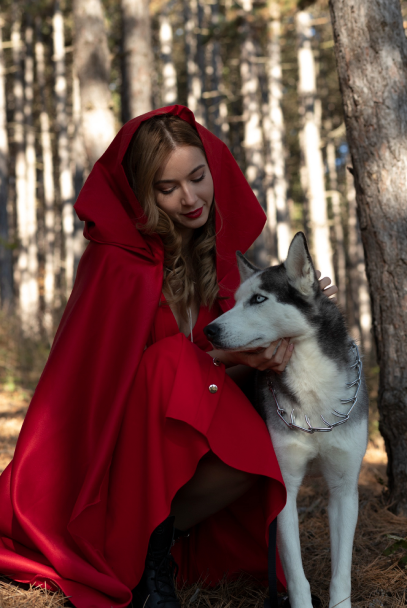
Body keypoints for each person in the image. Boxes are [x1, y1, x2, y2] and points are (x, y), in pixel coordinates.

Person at [0, 105, 337, 608]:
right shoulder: (117, 262)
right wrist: (223, 358)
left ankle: (155, 539)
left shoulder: (218, 256)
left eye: (198, 178)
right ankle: (143, 563)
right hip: (117, 453)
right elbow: (112, 383)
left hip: (185, 449)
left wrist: (275, 338)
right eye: (168, 188)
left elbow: (214, 372)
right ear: (145, 193)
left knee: (259, 457)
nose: (190, 197)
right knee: (170, 361)